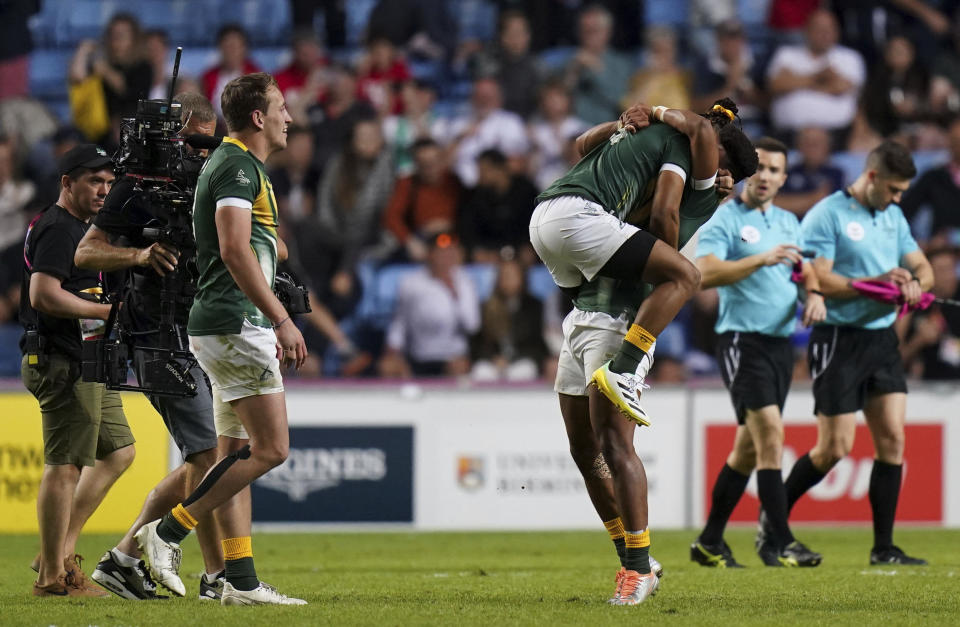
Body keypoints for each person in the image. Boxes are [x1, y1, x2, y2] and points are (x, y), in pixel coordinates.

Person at [542, 101, 753, 606]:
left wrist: (660, 117)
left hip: (620, 323)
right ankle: (633, 557)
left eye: (721, 170)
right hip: (581, 316)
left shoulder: (693, 196)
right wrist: (626, 126)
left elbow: (659, 223)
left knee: (616, 444)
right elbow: (631, 216)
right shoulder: (665, 179)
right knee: (583, 451)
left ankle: (637, 570)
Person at [134, 73, 307, 605]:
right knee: (272, 449)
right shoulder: (234, 165)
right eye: (281, 107)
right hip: (235, 325)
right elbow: (233, 249)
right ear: (258, 116)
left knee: (230, 455)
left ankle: (238, 581)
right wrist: (280, 317)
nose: (289, 118)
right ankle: (165, 533)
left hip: (227, 325)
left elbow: (247, 244)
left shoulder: (240, 165)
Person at [73, 93, 227, 601]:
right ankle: (218, 575)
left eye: (208, 147)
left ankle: (123, 558)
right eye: (192, 145)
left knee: (202, 456)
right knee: (209, 454)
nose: (199, 156)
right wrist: (140, 254)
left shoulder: (211, 184)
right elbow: (86, 250)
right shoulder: (138, 186)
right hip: (154, 333)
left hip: (198, 327)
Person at [531, 99, 758, 428]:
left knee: (588, 452)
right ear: (715, 146)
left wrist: (621, 122)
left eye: (732, 178)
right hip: (579, 219)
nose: (721, 176)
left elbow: (581, 145)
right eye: (727, 168)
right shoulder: (683, 141)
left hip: (546, 218)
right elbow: (664, 214)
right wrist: (655, 110)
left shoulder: (646, 136)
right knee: (684, 276)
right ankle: (623, 368)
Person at [780, 140, 934, 565]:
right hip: (837, 338)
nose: (899, 198)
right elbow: (818, 280)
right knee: (834, 448)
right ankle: (773, 523)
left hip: (881, 339)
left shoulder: (892, 215)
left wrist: (916, 283)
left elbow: (923, 266)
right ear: (871, 177)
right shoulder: (826, 215)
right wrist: (878, 282)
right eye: (894, 189)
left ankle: (884, 549)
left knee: (893, 441)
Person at [690, 137, 825, 568]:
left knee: (747, 450)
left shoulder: (789, 223)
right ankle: (778, 541)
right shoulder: (725, 218)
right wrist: (760, 260)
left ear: (784, 178)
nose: (765, 176)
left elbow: (803, 269)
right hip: (740, 341)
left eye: (774, 171)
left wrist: (815, 293)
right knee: (770, 431)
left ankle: (710, 542)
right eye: (760, 168)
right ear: (751, 172)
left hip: (779, 345)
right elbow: (704, 273)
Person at [21, 144, 133, 597]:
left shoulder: (81, 228)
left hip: (85, 358)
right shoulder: (58, 228)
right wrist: (105, 312)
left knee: (119, 451)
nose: (103, 190)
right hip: (60, 358)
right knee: (64, 466)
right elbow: (42, 295)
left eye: (108, 182)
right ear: (67, 182)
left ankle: (58, 551)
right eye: (93, 181)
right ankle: (51, 577)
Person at [378, 232, 480, 377]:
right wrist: (392, 351)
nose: (447, 257)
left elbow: (472, 325)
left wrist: (454, 293)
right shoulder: (411, 282)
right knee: (388, 367)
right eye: (443, 252)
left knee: (459, 368)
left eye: (451, 252)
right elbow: (400, 322)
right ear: (430, 254)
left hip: (453, 357)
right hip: (419, 356)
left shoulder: (465, 282)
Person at [765, 9, 865, 141]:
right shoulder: (786, 55)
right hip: (788, 136)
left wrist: (795, 81)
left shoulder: (850, 57)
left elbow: (841, 87)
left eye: (829, 29)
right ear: (806, 30)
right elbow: (775, 85)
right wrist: (819, 77)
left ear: (837, 31)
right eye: (818, 29)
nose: (824, 34)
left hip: (837, 137)